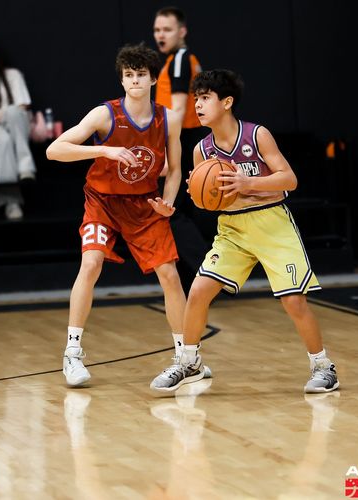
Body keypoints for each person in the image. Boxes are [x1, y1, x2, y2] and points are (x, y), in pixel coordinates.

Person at [150, 69, 340, 394]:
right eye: (196, 99)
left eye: (205, 98)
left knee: (294, 301)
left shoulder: (257, 135)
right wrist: (199, 194)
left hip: (272, 225)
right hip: (232, 230)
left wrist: (247, 183)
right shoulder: (202, 150)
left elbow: (289, 179)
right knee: (198, 291)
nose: (198, 105)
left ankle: (324, 367)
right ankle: (189, 362)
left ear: (226, 102)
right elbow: (208, 202)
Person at [46, 43, 187, 387]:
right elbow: (54, 150)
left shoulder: (168, 118)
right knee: (91, 262)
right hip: (103, 202)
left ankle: (187, 356)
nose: (134, 80)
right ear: (122, 80)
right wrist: (104, 150)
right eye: (128, 75)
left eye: (141, 74)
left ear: (153, 79)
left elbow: (175, 170)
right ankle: (72, 353)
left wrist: (168, 202)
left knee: (169, 274)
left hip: (144, 204)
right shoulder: (104, 115)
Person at [153, 6, 216, 295]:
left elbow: (177, 110)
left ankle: (210, 275)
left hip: (184, 139)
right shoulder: (181, 59)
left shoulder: (180, 60)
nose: (161, 35)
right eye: (157, 30)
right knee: (186, 213)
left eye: (167, 29)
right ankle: (196, 284)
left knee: (171, 211)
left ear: (182, 31)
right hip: (191, 139)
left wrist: (169, 151)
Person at [0, 33, 36, 220]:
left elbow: (22, 105)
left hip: (14, 122)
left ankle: (25, 168)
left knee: (14, 113)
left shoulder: (12, 75)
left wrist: (3, 115)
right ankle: (11, 202)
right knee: (2, 140)